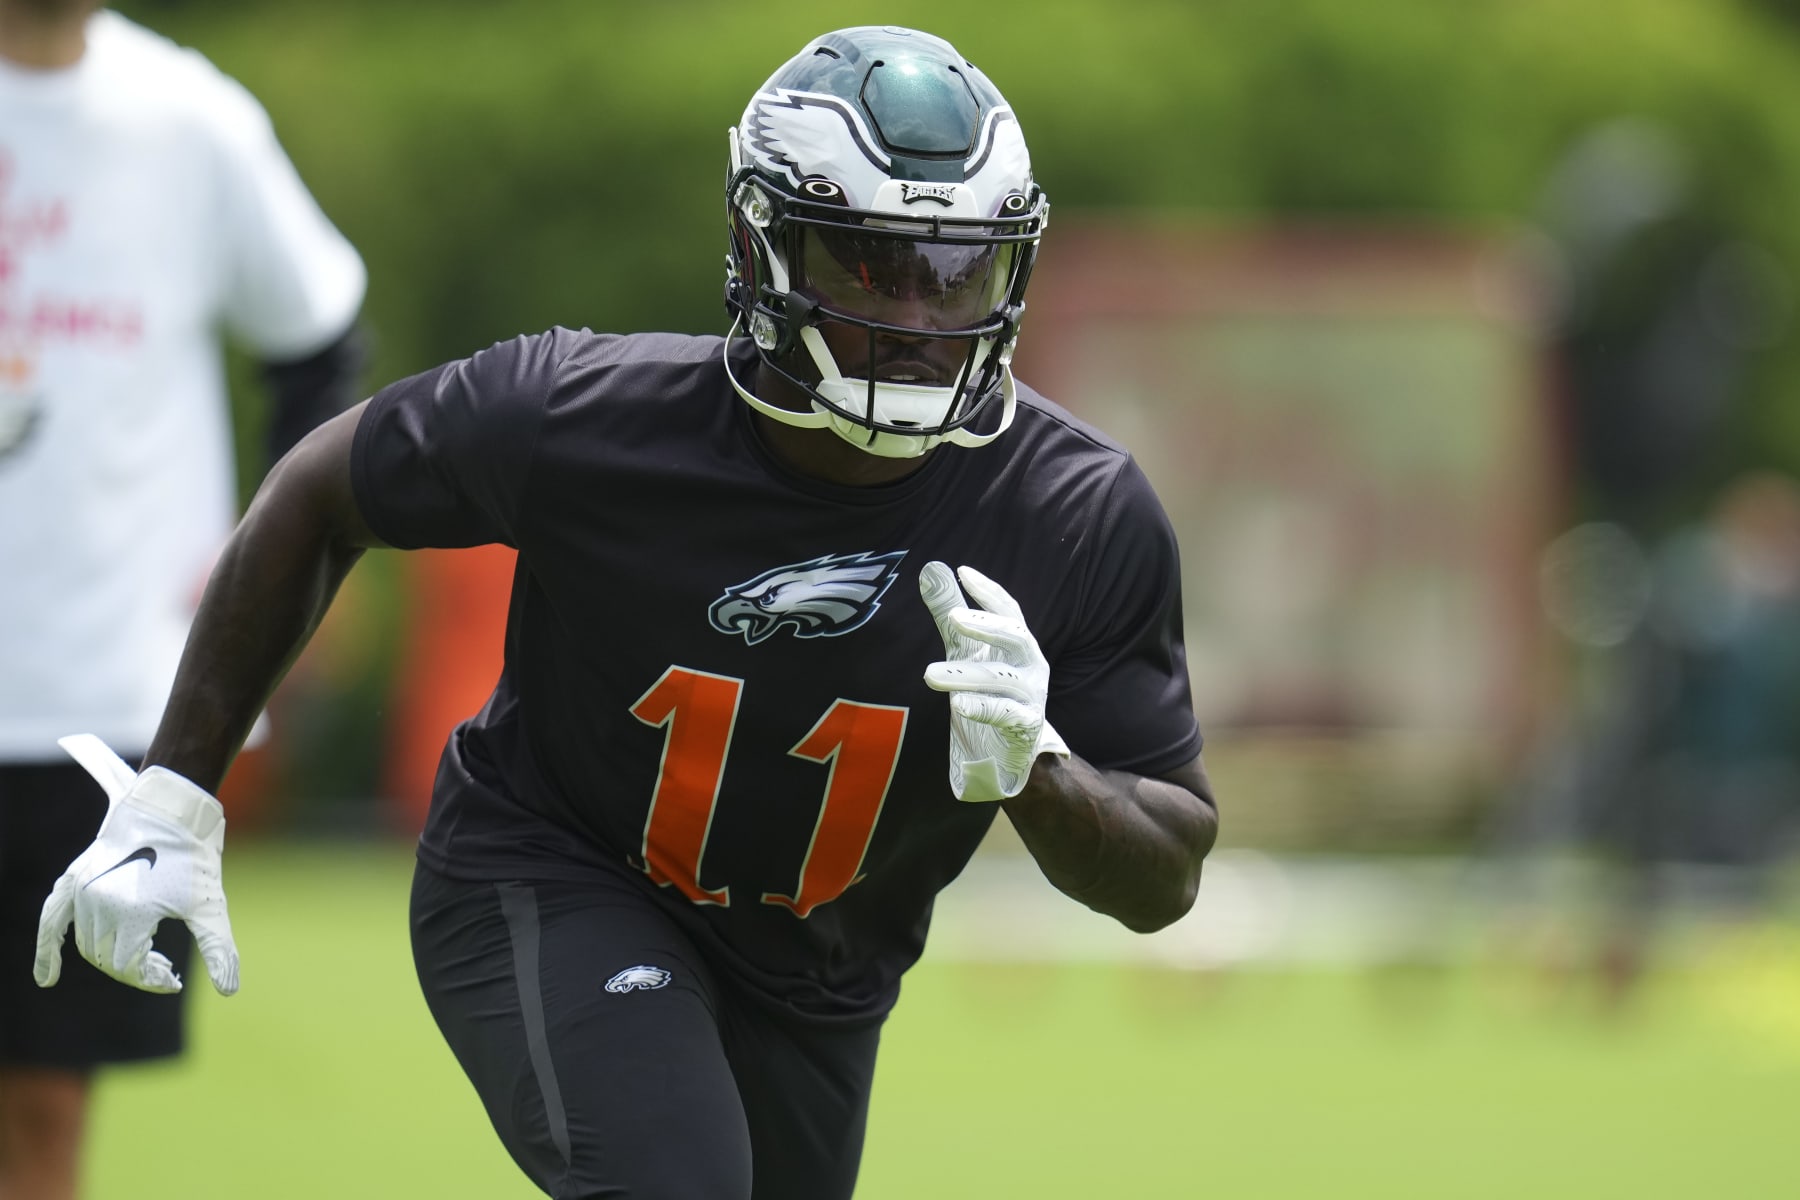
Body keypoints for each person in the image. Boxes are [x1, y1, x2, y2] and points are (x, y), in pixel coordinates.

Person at [32, 25, 1213, 1200]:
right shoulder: (587, 416)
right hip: (556, 872)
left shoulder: (1078, 513)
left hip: (820, 982)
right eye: (866, 265)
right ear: (766, 249)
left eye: (955, 272)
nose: (914, 318)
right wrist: (178, 789)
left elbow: (1166, 876)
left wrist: (1042, 769)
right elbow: (321, 494)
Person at [0, 2, 365, 1196]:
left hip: (99, 700)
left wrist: (275, 564)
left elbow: (317, 338)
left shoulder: (190, 121)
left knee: (42, 1104)